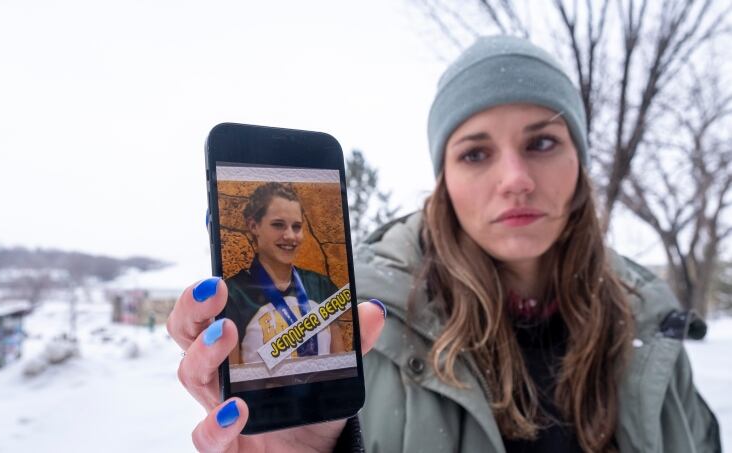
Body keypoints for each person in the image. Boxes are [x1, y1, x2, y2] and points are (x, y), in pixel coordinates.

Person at [167, 36, 721, 452]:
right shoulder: (366, 335)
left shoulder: (650, 325)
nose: (515, 179)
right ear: (444, 181)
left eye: (543, 142)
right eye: (476, 153)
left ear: (579, 162)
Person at [224, 182, 344, 365]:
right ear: (254, 226)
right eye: (278, 225)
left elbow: (340, 363)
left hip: (325, 393)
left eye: (296, 227)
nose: (290, 235)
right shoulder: (233, 292)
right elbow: (232, 372)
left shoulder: (320, 285)